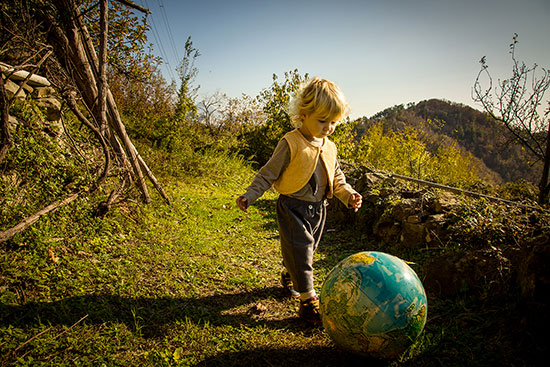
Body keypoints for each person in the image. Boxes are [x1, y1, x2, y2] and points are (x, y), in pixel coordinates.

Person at [236, 77, 362, 326]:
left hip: (318, 211)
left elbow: (337, 179)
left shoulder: (330, 147)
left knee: (307, 251)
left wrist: (349, 195)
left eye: (334, 122)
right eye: (322, 120)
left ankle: (289, 275)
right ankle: (308, 302)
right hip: (292, 207)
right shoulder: (290, 143)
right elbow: (268, 173)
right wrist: (251, 194)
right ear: (303, 115)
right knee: (302, 250)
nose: (328, 127)